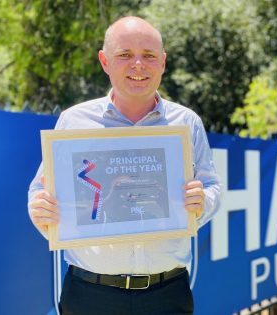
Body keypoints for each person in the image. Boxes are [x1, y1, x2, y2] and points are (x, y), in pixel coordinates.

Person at [27, 16, 221, 315]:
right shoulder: (74, 122)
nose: (138, 65)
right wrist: (41, 209)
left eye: (149, 56)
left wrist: (202, 201)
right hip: (90, 295)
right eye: (125, 55)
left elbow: (212, 187)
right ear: (105, 61)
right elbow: (41, 191)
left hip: (167, 294)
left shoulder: (186, 123)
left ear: (163, 62)